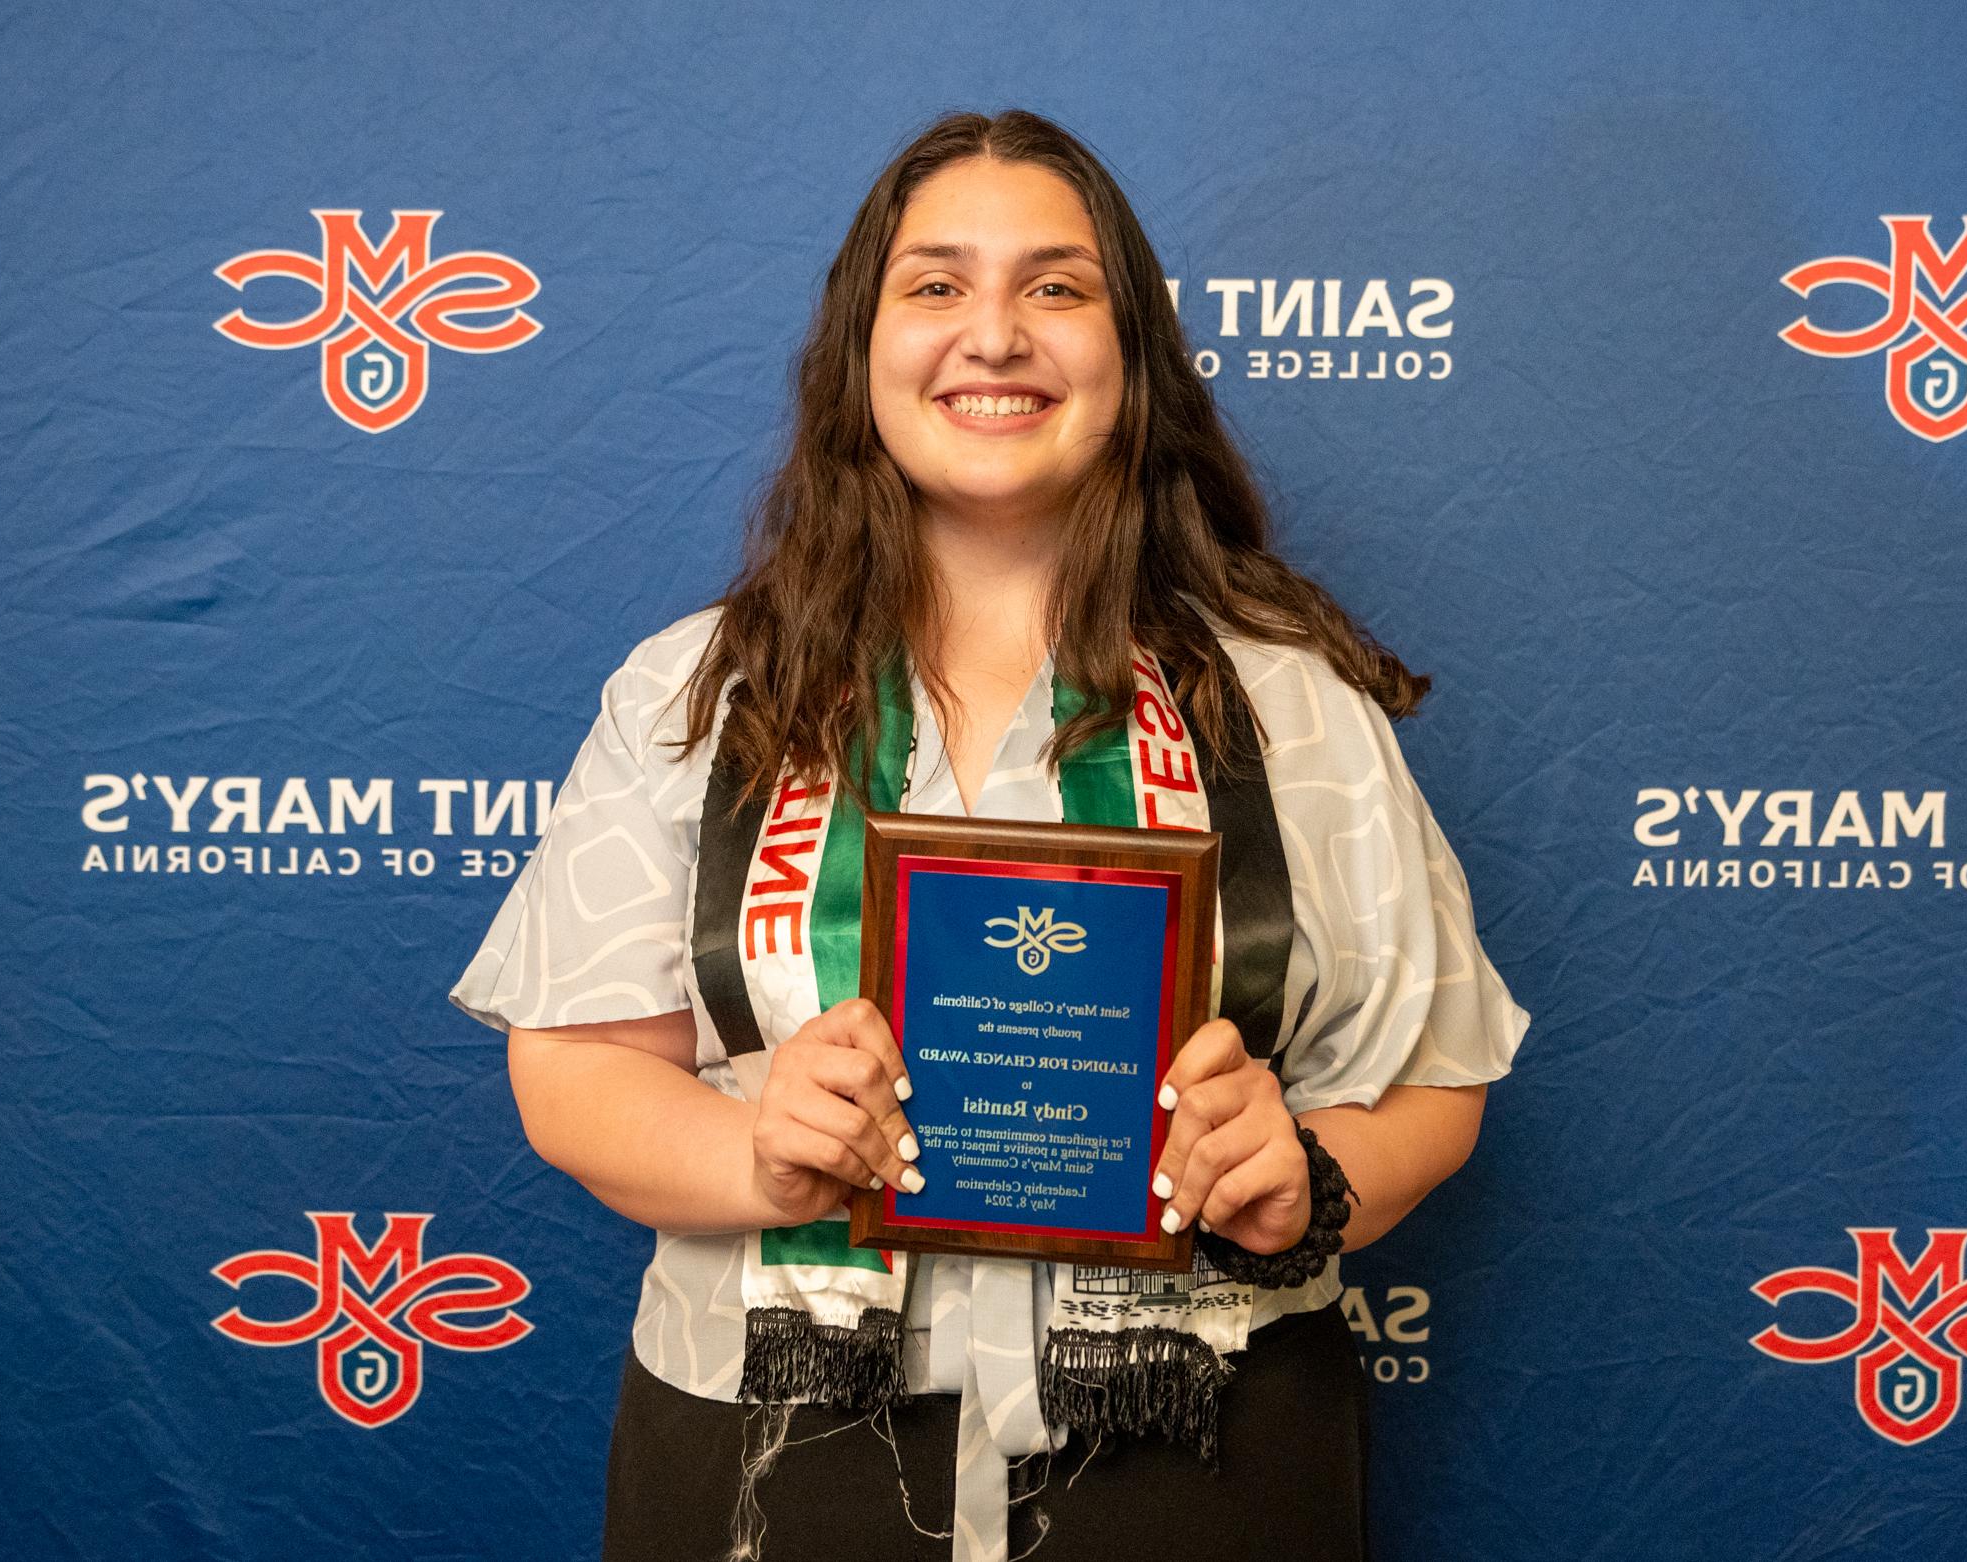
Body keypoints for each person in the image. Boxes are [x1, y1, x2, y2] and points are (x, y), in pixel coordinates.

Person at [450, 108, 1529, 1562]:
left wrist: (1305, 1177)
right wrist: (759, 1153)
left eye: (1058, 287)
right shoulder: (701, 690)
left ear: (1131, 352)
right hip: (776, 1439)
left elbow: (1433, 1085)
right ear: (863, 349)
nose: (996, 335)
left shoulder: (1291, 699)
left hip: (1199, 1447)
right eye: (939, 285)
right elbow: (573, 1076)